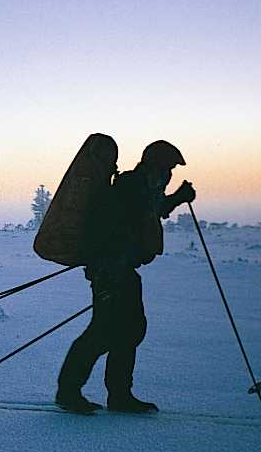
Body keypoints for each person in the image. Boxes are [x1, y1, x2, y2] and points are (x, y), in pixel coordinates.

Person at [54, 140, 196, 414]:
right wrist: (106, 269)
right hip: (111, 272)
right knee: (102, 332)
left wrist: (178, 197)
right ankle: (69, 392)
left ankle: (119, 395)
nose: (169, 175)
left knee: (129, 331)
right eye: (167, 168)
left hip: (123, 272)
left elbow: (151, 209)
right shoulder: (129, 186)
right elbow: (132, 216)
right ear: (154, 165)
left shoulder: (140, 188)